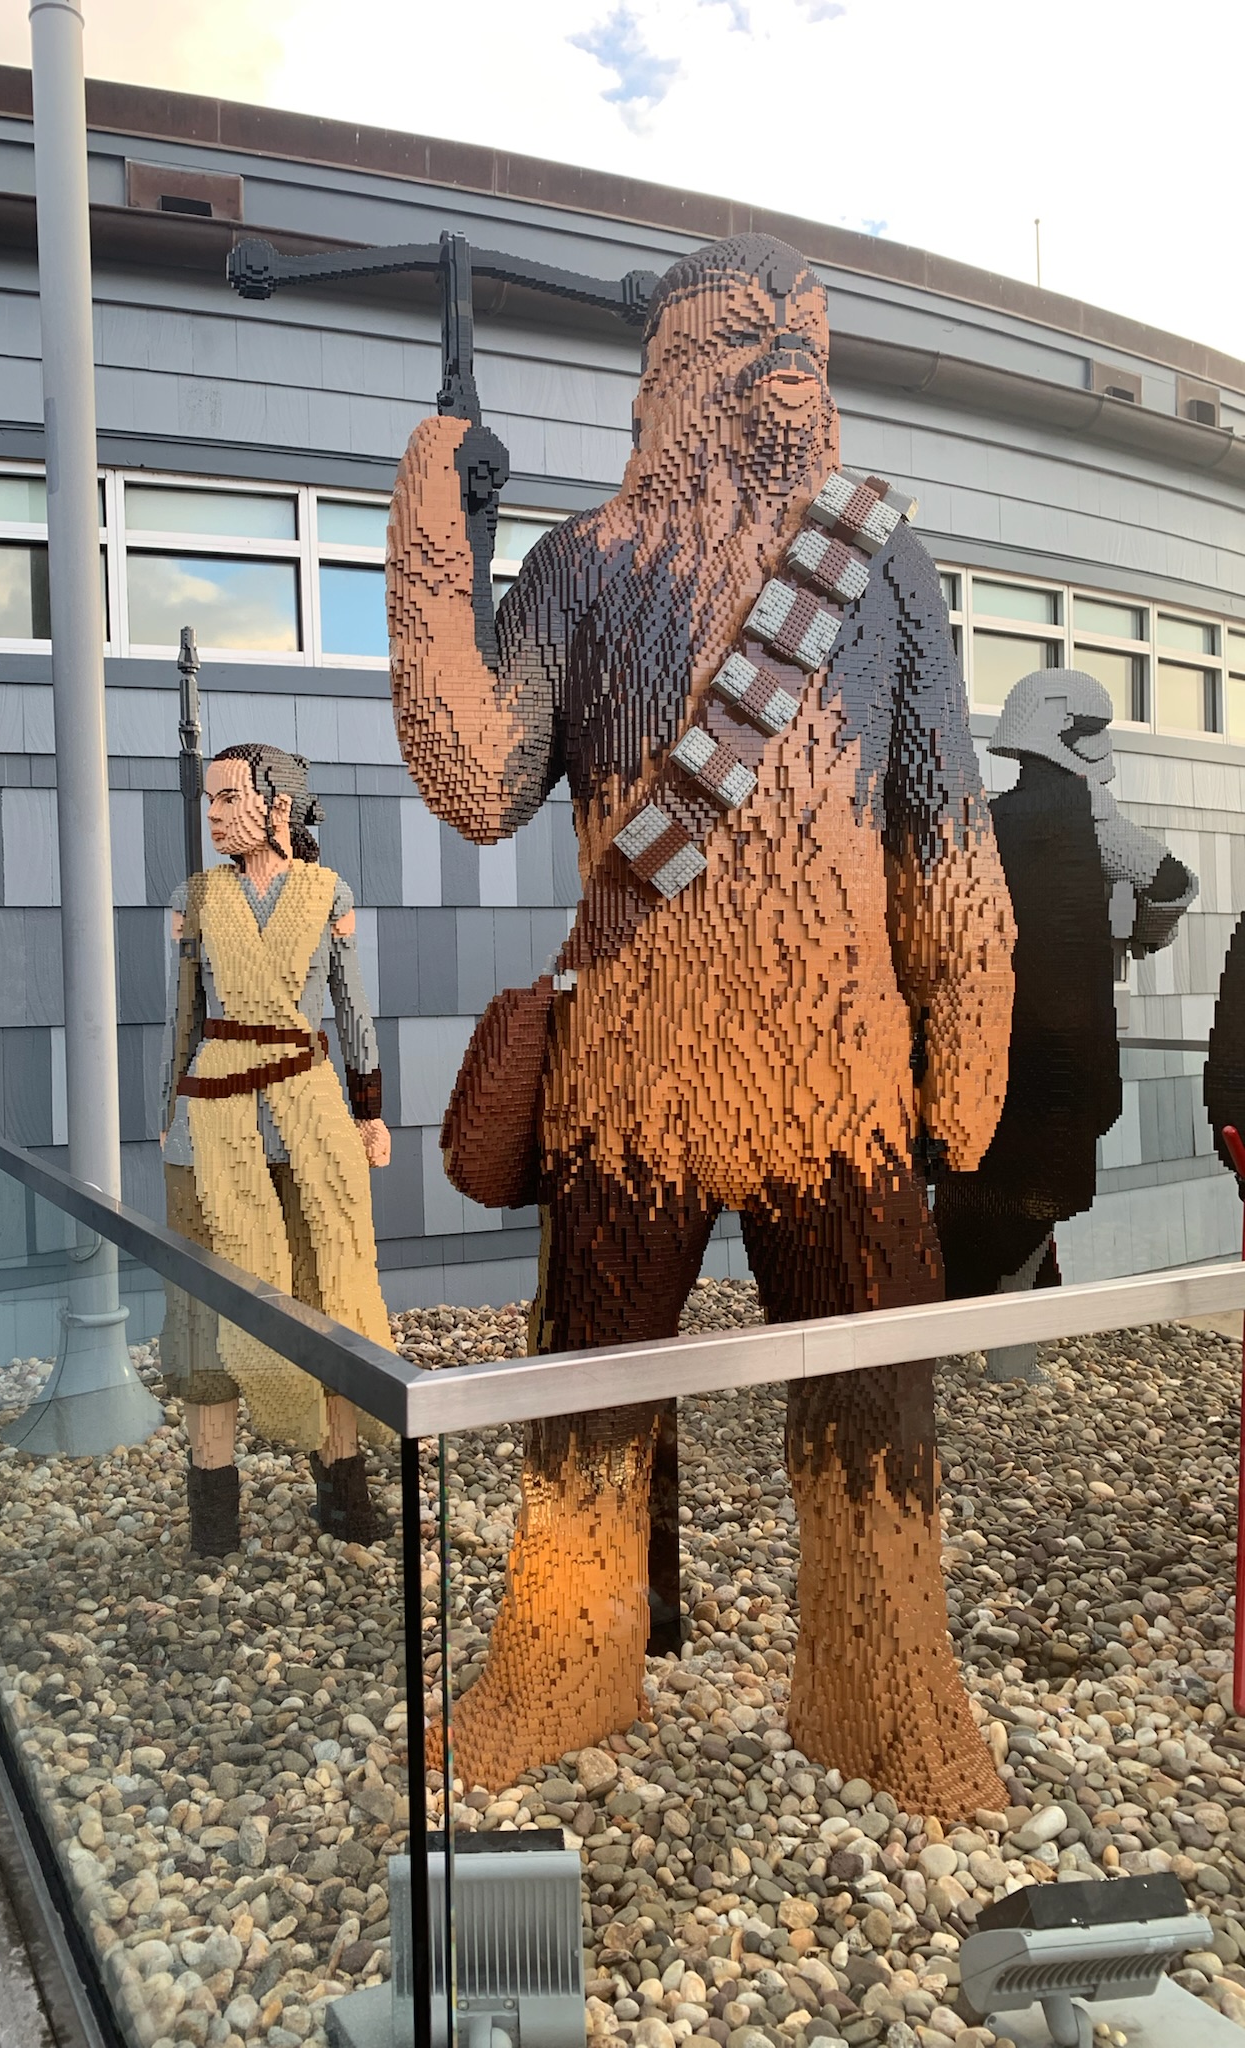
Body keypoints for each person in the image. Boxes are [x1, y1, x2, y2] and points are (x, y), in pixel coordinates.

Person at [386, 231, 1016, 1811]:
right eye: (748, 336)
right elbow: (477, 777)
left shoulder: (883, 569)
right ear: (668, 372)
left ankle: (888, 1692)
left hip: (842, 1081)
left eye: (808, 338)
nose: (789, 363)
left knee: (877, 1402)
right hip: (631, 1084)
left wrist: (970, 1020)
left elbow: (945, 824)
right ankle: (563, 1666)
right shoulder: (582, 568)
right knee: (587, 1390)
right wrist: (433, 548)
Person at [159, 743, 395, 1555]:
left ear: (278, 807)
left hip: (309, 1118)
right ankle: (214, 1507)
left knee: (330, 1287)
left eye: (229, 799)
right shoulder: (197, 899)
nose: (214, 815)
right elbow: (184, 1015)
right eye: (210, 800)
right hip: (212, 1117)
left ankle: (343, 1482)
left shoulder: (329, 895)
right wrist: (167, 1109)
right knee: (207, 1308)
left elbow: (354, 1012)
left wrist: (371, 1111)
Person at [935, 668, 1197, 1374]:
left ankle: (961, 1340)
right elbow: (1174, 886)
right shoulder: (1096, 821)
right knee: (1034, 1194)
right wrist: (1142, 936)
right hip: (1064, 1048)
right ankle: (1009, 1358)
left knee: (982, 1190)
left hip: (985, 1045)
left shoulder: (980, 821)